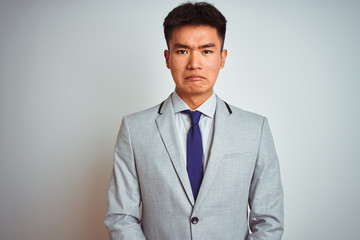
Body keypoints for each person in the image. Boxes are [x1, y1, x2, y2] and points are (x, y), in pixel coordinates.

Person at [104, 2, 284, 240]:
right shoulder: (134, 129)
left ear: (222, 58)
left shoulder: (255, 129)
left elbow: (269, 221)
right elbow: (121, 216)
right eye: (182, 51)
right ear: (167, 58)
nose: (194, 64)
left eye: (207, 51)